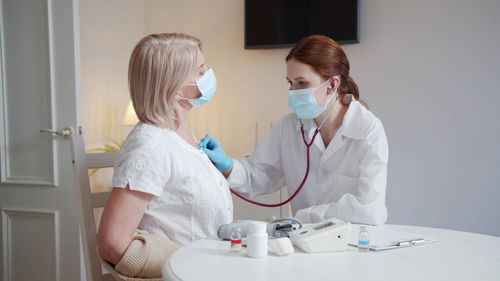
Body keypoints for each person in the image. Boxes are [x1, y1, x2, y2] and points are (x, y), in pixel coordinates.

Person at [200, 35, 388, 225]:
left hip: (353, 245)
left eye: (302, 83)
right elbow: (260, 174)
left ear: (332, 85)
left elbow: (369, 211)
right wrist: (227, 165)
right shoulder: (289, 127)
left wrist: (305, 217)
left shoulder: (367, 131)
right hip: (305, 245)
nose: (293, 91)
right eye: (290, 82)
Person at [98, 33, 232, 279]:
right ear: (174, 87)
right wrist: (186, 265)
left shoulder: (179, 134)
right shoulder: (149, 145)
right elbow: (112, 243)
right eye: (200, 72)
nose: (209, 75)